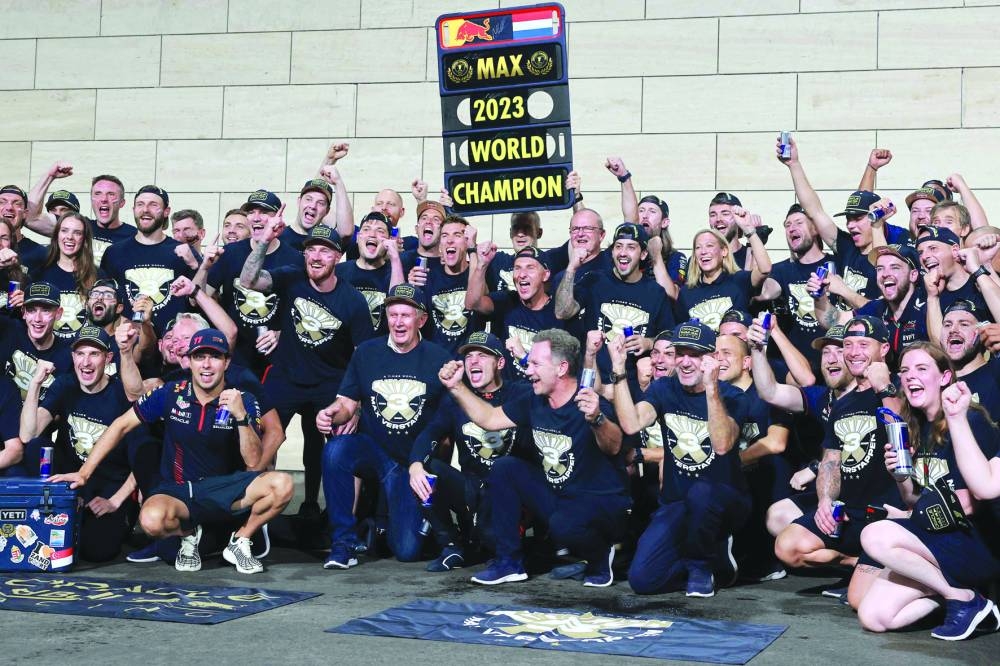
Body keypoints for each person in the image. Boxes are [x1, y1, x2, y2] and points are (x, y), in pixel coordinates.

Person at [49, 329, 294, 575]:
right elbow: (121, 425)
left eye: (215, 357)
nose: (206, 365)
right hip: (181, 492)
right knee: (150, 520)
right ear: (188, 361)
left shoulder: (243, 399)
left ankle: (241, 539)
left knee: (282, 484)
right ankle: (189, 536)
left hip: (226, 489)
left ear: (226, 362)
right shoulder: (171, 393)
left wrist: (241, 417)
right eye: (199, 357)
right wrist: (84, 473)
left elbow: (253, 463)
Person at [442, 328, 630, 587]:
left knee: (562, 525)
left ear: (561, 368)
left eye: (534, 364)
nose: (527, 370)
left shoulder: (589, 401)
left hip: (601, 503)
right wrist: (457, 387)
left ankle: (600, 556)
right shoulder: (533, 400)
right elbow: (490, 419)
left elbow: (614, 445)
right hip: (560, 496)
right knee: (505, 467)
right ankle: (510, 563)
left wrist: (597, 419)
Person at [857, 343, 1000, 640]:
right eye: (905, 371)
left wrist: (911, 515)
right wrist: (901, 476)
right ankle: (957, 595)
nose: (910, 377)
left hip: (975, 543)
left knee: (875, 534)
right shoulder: (917, 427)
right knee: (874, 615)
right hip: (938, 539)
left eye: (922, 369)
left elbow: (970, 504)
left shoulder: (971, 421)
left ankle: (964, 600)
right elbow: (913, 498)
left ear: (945, 377)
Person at [241, 218, 373, 516]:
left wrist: (357, 405)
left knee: (344, 444)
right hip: (286, 377)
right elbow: (249, 281)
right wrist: (263, 240)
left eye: (325, 251)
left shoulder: (353, 301)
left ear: (337, 257)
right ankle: (254, 519)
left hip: (331, 382)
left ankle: (343, 527)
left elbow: (363, 357)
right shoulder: (292, 277)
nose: (316, 256)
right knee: (260, 438)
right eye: (311, 249)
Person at [317, 284, 453, 568]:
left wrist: (427, 463)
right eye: (393, 315)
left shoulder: (439, 358)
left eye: (405, 315)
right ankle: (343, 543)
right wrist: (331, 413)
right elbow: (347, 403)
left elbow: (445, 427)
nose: (398, 322)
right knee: (335, 451)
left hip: (411, 464)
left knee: (406, 550)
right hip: (376, 452)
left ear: (421, 320)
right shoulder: (366, 353)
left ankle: (382, 524)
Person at [609, 321, 749, 597]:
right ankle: (714, 560)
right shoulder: (665, 390)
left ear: (712, 359)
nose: (685, 362)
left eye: (694, 355)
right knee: (642, 580)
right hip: (678, 501)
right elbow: (632, 423)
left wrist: (711, 389)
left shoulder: (733, 396)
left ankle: (701, 566)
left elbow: (721, 445)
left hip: (724, 500)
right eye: (679, 353)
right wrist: (618, 373)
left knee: (701, 491)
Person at [773, 316, 903, 588]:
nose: (854, 353)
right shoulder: (843, 404)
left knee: (863, 603)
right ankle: (853, 561)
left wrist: (883, 387)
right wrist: (825, 501)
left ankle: (876, 568)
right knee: (787, 547)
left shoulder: (902, 387)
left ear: (884, 349)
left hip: (890, 513)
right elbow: (831, 461)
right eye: (848, 345)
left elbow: (904, 433)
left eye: (863, 344)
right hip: (852, 513)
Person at [20, 327, 143, 562]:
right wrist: (35, 384)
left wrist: (115, 501)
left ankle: (122, 521)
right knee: (37, 448)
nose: (86, 362)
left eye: (94, 354)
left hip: (108, 487)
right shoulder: (65, 385)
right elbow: (28, 434)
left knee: (97, 551)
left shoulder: (121, 393)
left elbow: (146, 455)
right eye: (80, 354)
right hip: (71, 482)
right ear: (72, 357)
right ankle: (59, 506)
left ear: (108, 358)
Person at [409, 331, 524, 571]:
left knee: (491, 540)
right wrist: (415, 465)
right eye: (469, 356)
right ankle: (451, 545)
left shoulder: (519, 394)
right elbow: (430, 433)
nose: (473, 361)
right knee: (426, 470)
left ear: (500, 363)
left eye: (482, 356)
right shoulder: (455, 399)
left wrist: (524, 358)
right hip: (472, 488)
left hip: (510, 492)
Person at [201, 192, 302, 377]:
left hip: (276, 358)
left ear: (277, 218)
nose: (256, 217)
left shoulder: (294, 258)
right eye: (251, 212)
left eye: (263, 212)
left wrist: (281, 333)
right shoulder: (231, 252)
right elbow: (199, 297)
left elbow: (301, 311)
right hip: (235, 355)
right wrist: (204, 267)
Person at [99, 185, 195, 335]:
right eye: (140, 205)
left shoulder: (182, 252)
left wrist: (197, 266)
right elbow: (105, 300)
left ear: (166, 212)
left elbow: (198, 300)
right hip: (128, 343)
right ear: (133, 210)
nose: (145, 210)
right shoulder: (114, 252)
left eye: (153, 205)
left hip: (172, 345)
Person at [466, 245, 561, 383]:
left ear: (545, 275)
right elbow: (472, 303)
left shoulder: (558, 314)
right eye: (517, 268)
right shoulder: (508, 301)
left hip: (541, 398)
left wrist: (523, 357)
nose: (522, 274)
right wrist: (481, 265)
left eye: (530, 267)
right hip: (508, 396)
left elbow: (558, 372)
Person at [26, 166, 136, 266]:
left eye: (111, 194)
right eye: (98, 194)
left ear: (122, 203)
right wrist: (49, 176)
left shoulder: (134, 236)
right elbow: (30, 217)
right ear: (92, 200)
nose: (103, 199)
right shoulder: (78, 226)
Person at [678, 224, 771, 331]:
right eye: (698, 247)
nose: (703, 252)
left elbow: (765, 269)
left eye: (709, 245)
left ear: (724, 251)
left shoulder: (739, 280)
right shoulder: (686, 293)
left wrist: (750, 231)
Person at [32, 212, 102, 340]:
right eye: (64, 231)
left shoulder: (98, 275)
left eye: (77, 233)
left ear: (84, 239)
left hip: (82, 353)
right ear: (57, 235)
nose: (70, 237)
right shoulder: (39, 274)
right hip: (48, 351)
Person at [334, 211, 404, 335]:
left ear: (389, 240)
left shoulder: (396, 273)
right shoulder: (338, 271)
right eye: (366, 229)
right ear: (358, 237)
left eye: (380, 231)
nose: (372, 234)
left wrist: (395, 258)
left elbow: (399, 308)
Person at [0, 281, 71, 401]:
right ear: (24, 313)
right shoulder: (9, 330)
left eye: (46, 310)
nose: (38, 319)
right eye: (31, 310)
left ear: (58, 314)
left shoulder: (67, 355)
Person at [0, 184, 48, 273]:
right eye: (2, 202)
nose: (9, 207)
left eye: (16, 203)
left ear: (25, 213)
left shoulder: (40, 254)